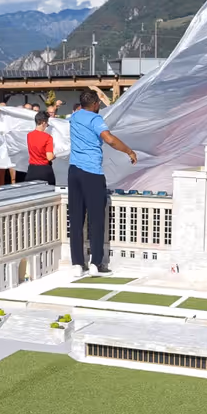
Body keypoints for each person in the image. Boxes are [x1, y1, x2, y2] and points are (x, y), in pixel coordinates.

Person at [67, 90, 137, 275]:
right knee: (96, 219)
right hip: (92, 172)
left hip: (73, 171)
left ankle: (77, 263)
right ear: (96, 104)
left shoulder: (74, 117)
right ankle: (96, 264)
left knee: (75, 219)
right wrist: (129, 151)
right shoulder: (95, 120)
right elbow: (109, 139)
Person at [26, 110, 56, 186]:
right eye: (47, 123)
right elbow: (49, 157)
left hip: (31, 170)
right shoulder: (48, 137)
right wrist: (55, 155)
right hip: (44, 170)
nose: (47, 126)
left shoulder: (29, 135)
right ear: (43, 123)